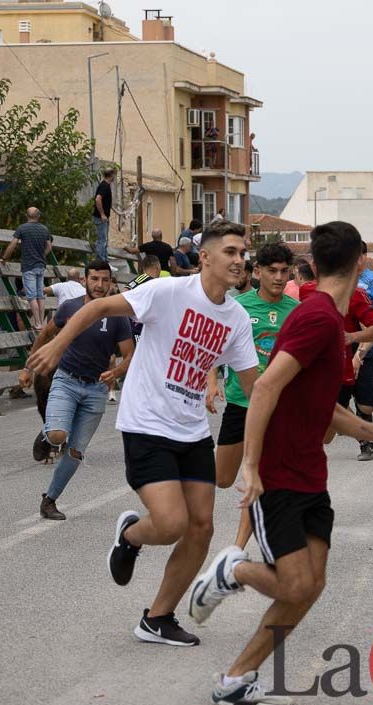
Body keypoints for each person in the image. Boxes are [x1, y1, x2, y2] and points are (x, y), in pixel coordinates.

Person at [185, 221, 373, 705]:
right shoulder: (318, 318)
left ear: (312, 263)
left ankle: (236, 679)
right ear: (362, 259)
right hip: (280, 475)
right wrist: (251, 466)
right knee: (294, 583)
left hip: (309, 473)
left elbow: (323, 408)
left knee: (310, 587)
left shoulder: (325, 318)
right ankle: (235, 571)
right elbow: (267, 387)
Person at [26, 221, 260, 648]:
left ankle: (157, 618)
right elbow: (97, 308)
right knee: (171, 523)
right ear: (204, 257)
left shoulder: (237, 318)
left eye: (242, 253)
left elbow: (252, 384)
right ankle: (132, 534)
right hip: (146, 422)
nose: (239, 259)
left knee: (202, 527)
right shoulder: (165, 292)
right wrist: (58, 345)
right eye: (230, 251)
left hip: (191, 428)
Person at [20, 260, 135, 521]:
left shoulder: (118, 317)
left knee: (75, 451)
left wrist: (115, 374)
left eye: (105, 280)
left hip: (96, 390)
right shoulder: (69, 308)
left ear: (111, 283)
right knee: (59, 435)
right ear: (84, 281)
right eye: (94, 279)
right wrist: (28, 367)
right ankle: (49, 436)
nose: (100, 284)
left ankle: (49, 501)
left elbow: (129, 354)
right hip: (67, 380)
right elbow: (46, 335)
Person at [206, 241, 297, 549]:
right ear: (257, 272)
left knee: (258, 475)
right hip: (240, 402)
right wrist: (211, 380)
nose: (279, 278)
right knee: (223, 478)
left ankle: (237, 548)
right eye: (272, 271)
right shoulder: (238, 307)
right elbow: (214, 349)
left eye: (285, 271)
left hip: (277, 408)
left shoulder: (296, 312)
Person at [301, 258, 373, 462]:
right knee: (326, 422)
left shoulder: (356, 295)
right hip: (319, 366)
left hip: (352, 353)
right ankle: (362, 440)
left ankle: (358, 432)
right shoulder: (306, 291)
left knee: (365, 407)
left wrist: (352, 337)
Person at [1, 207, 53, 330]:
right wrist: (42, 255)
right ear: (38, 216)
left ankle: (38, 323)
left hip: (28, 266)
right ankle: (41, 322)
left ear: (27, 216)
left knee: (31, 296)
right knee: (40, 295)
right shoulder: (44, 229)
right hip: (41, 266)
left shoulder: (22, 228)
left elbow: (13, 243)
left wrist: (4, 258)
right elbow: (49, 247)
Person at [94, 168, 115, 261]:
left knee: (104, 240)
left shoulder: (106, 185)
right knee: (101, 240)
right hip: (100, 218)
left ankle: (105, 260)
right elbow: (98, 199)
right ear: (112, 175)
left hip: (104, 218)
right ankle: (101, 260)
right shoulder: (104, 186)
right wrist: (102, 214)